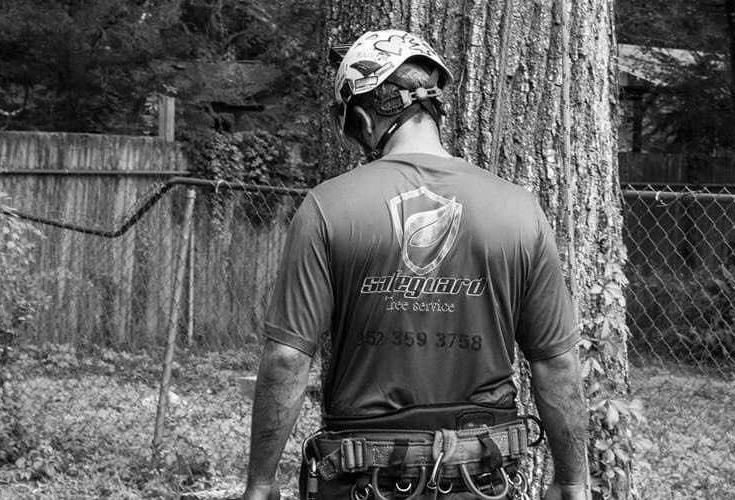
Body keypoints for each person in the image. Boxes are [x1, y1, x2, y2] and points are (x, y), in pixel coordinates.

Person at [243, 29, 590, 500]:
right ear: (432, 109)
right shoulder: (520, 209)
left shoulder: (327, 207)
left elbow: (287, 358)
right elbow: (557, 363)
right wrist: (572, 481)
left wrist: (261, 485)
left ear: (364, 118)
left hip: (364, 482)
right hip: (480, 479)